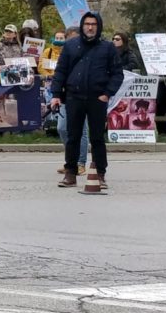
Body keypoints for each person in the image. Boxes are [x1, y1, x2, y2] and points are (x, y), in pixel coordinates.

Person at [50, 12, 123, 190]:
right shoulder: (70, 46)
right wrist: (56, 94)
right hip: (74, 97)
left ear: (99, 26)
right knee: (73, 136)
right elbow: (61, 71)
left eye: (94, 24)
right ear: (82, 26)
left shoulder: (107, 48)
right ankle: (71, 173)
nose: (90, 27)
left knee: (97, 137)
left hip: (97, 98)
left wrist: (107, 93)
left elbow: (117, 74)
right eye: (87, 24)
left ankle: (99, 173)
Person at [55, 26, 91, 176]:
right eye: (68, 39)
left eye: (74, 38)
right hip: (65, 96)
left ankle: (80, 162)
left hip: (82, 95)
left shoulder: (87, 53)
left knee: (80, 130)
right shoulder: (65, 54)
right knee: (62, 128)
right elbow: (59, 73)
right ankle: (70, 158)